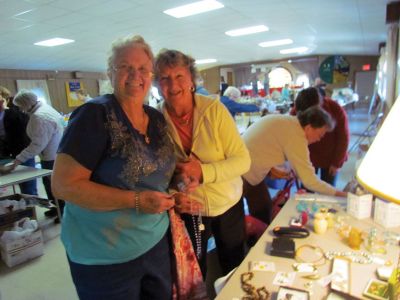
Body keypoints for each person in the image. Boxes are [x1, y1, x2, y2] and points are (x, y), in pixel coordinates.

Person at [51, 35, 176, 300]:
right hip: (105, 256)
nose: (135, 75)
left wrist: (182, 176)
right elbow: (64, 186)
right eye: (125, 67)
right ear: (110, 72)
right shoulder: (94, 115)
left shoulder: (155, 117)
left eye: (143, 68)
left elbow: (158, 168)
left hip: (155, 242)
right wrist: (138, 201)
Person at [154, 49, 251, 277]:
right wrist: (175, 192)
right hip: (190, 209)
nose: (173, 84)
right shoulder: (156, 120)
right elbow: (159, 173)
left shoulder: (214, 110)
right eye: (164, 78)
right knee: (195, 271)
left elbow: (243, 161)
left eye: (179, 76)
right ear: (157, 84)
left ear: (191, 79)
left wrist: (203, 171)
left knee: (233, 268)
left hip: (227, 204)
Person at [243, 106, 347, 224]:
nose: (319, 139)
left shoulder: (291, 123)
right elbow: (309, 180)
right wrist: (341, 194)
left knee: (263, 206)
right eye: (320, 135)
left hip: (244, 164)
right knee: (262, 209)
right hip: (244, 171)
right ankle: (257, 238)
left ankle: (256, 233)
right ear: (309, 128)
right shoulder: (297, 136)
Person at [10, 90, 63, 210]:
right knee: (52, 185)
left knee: (53, 187)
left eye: (20, 106)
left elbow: (37, 145)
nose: (20, 109)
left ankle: (60, 211)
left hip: (51, 156)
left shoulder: (39, 117)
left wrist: (17, 161)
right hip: (57, 153)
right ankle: (56, 209)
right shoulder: (46, 108)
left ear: (25, 104)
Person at [292, 87, 349, 186]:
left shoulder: (334, 108)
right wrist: (296, 163)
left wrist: (336, 163)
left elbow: (343, 138)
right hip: (308, 157)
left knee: (328, 190)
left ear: (320, 105)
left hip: (330, 156)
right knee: (307, 189)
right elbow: (292, 138)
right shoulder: (298, 109)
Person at [0, 86, 37, 195]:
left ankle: (31, 209)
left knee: (28, 187)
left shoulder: (17, 111)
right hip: (6, 154)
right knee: (19, 184)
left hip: (23, 152)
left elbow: (26, 135)